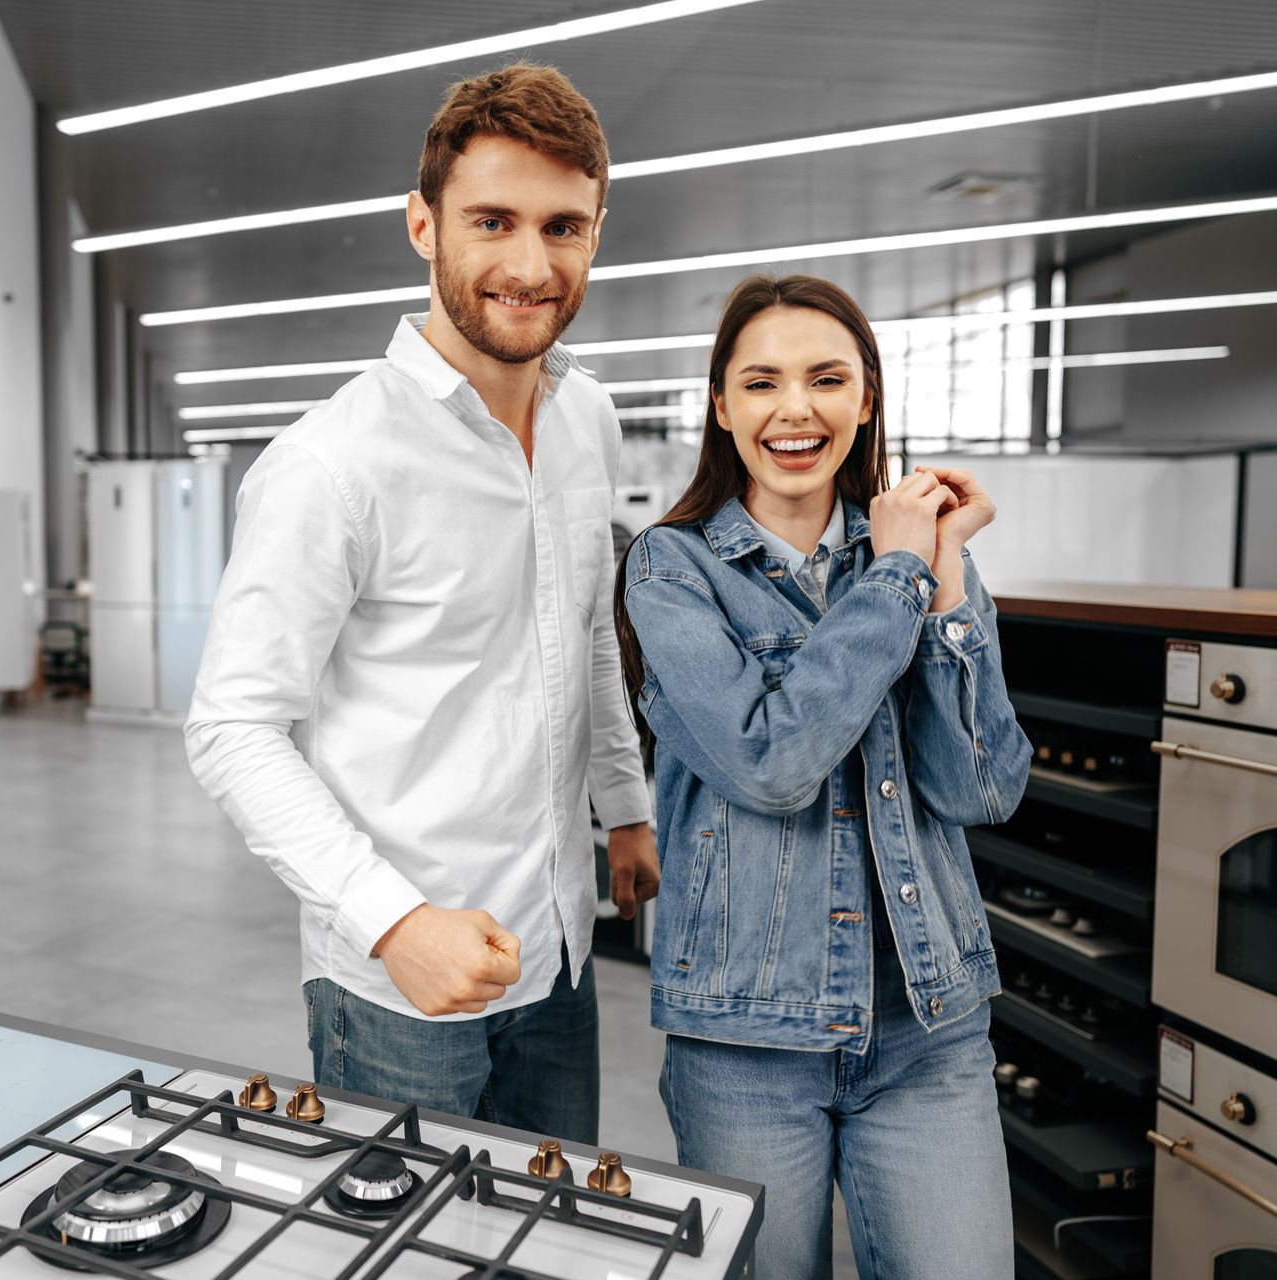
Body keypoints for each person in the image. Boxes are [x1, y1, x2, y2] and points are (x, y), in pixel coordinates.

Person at [184, 63, 657, 1145]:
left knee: (550, 1240)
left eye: (564, 226)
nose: (531, 265)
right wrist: (396, 922)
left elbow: (587, 621)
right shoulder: (331, 461)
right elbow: (231, 729)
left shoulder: (588, 418)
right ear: (421, 224)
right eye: (492, 220)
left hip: (558, 948)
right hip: (394, 988)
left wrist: (622, 808)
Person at [615, 272, 1031, 1278]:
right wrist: (896, 575)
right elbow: (771, 761)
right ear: (722, 406)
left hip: (929, 1028)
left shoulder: (919, 561)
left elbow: (981, 788)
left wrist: (945, 586)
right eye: (761, 382)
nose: (794, 408)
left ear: (866, 398)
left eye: (826, 378)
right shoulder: (672, 570)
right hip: (745, 1038)